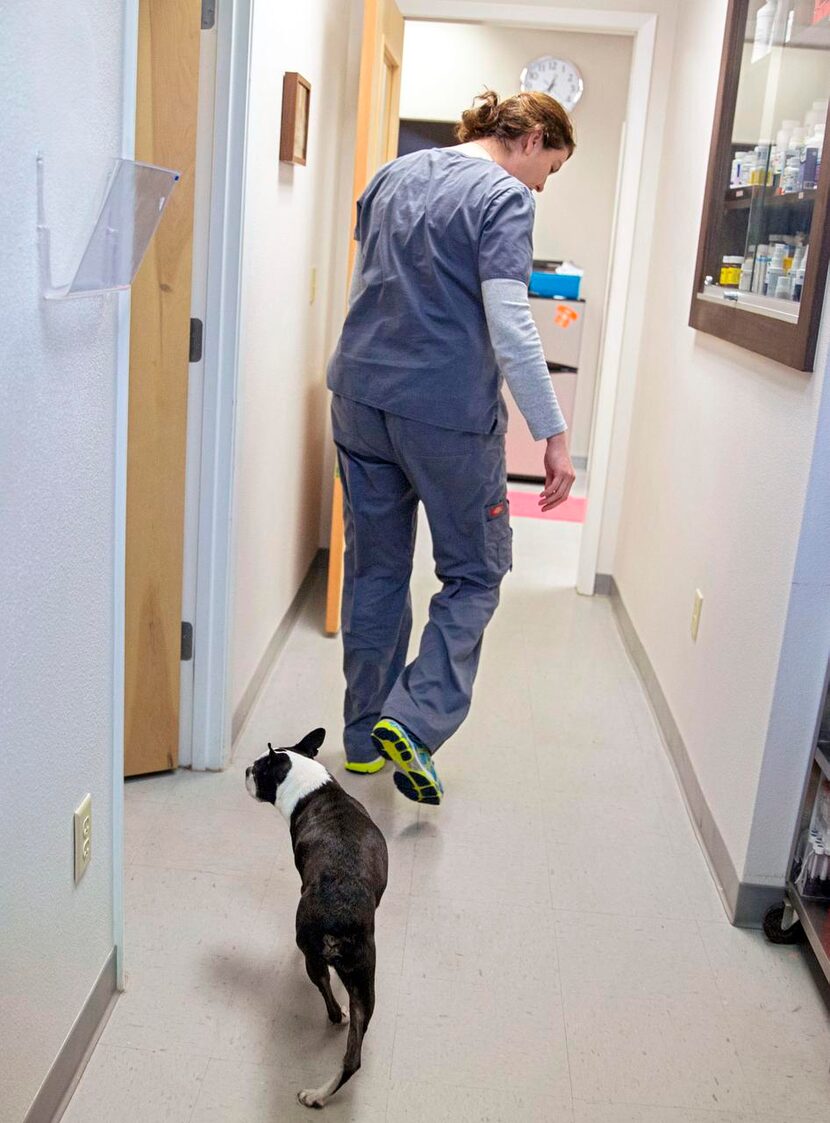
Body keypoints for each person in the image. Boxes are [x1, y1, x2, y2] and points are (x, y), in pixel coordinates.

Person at [327, 89, 576, 804]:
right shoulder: (504, 198)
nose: (541, 186)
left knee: (375, 569)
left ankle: (362, 736)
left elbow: (374, 285)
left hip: (359, 396)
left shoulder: (390, 175)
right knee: (475, 572)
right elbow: (512, 325)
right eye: (549, 169)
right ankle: (413, 718)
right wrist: (551, 433)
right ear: (529, 138)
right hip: (442, 414)